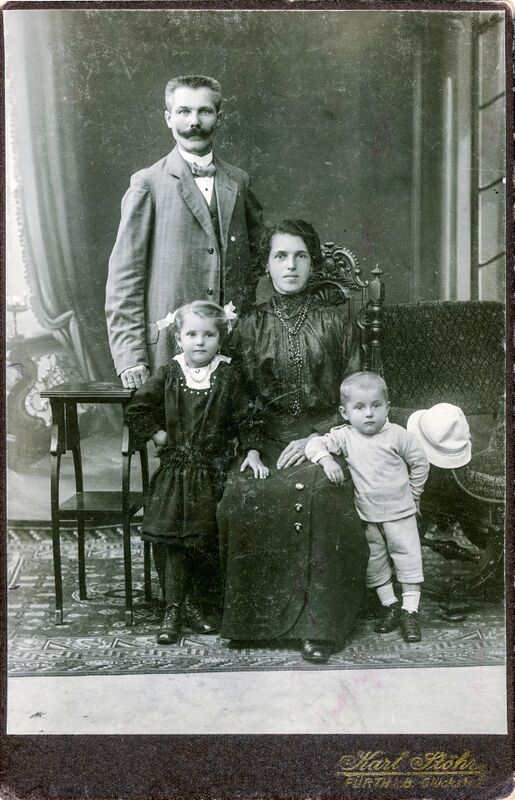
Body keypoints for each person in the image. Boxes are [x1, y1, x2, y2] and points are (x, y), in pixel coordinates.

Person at [217, 219, 369, 664]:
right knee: (243, 491)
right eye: (280, 256)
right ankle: (254, 622)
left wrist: (317, 437)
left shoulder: (336, 322)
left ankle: (318, 627)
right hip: (265, 440)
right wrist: (250, 445)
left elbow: (354, 390)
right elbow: (239, 395)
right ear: (266, 265)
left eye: (300, 256)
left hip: (326, 438)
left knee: (324, 493)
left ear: (312, 263)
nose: (291, 266)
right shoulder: (249, 325)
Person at [105, 74, 263, 389]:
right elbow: (124, 278)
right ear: (168, 118)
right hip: (169, 349)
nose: (194, 122)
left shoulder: (238, 181)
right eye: (183, 111)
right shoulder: (147, 183)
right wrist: (130, 355)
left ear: (219, 117)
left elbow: (259, 255)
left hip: (234, 349)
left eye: (204, 111)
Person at [125, 301, 267, 645]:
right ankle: (174, 607)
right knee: (170, 535)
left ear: (221, 338)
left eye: (208, 335)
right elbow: (138, 409)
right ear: (179, 338)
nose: (199, 342)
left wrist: (252, 450)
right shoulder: (169, 372)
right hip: (175, 469)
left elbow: (248, 417)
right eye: (191, 334)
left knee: (202, 537)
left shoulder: (229, 374)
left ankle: (197, 604)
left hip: (212, 467)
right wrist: (161, 436)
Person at [305, 371, 430, 643]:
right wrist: (326, 459)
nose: (369, 413)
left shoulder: (399, 435)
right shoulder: (345, 436)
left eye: (376, 405)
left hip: (400, 512)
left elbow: (420, 463)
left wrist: (415, 494)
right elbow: (314, 443)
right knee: (375, 561)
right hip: (367, 514)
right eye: (359, 407)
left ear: (388, 407)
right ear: (345, 412)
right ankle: (390, 606)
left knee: (407, 557)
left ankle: (410, 611)